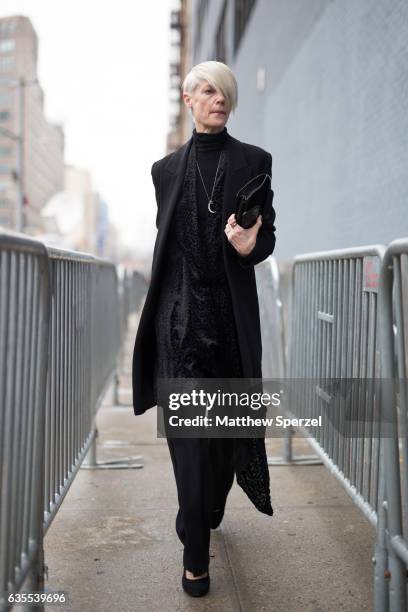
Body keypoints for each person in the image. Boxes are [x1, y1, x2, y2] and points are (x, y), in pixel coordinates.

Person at [132, 60, 276, 597]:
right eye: (208, 91)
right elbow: (166, 247)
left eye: (226, 92)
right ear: (189, 100)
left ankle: (204, 507)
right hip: (180, 321)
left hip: (229, 322)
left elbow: (267, 237)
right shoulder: (164, 170)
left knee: (220, 444)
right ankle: (196, 559)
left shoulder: (254, 161)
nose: (219, 98)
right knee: (189, 439)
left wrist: (250, 247)